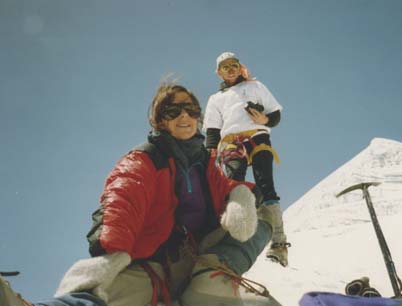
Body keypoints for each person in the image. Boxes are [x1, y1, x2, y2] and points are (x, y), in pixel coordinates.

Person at [1, 82, 279, 306]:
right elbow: (123, 199)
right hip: (154, 264)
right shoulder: (146, 159)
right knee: (103, 295)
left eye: (190, 108)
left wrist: (240, 196)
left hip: (200, 258)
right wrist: (113, 253)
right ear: (160, 121)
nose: (184, 115)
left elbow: (225, 188)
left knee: (261, 211)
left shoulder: (205, 164)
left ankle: (213, 275)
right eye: (173, 111)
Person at [203, 51, 290, 267]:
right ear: (218, 72)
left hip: (257, 136)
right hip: (230, 141)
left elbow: (275, 115)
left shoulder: (255, 87)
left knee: (265, 183)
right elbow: (212, 130)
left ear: (240, 67)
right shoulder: (216, 99)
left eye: (234, 65)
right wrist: (210, 155)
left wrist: (265, 119)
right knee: (232, 186)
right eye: (225, 67)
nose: (230, 70)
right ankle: (230, 237)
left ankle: (279, 244)